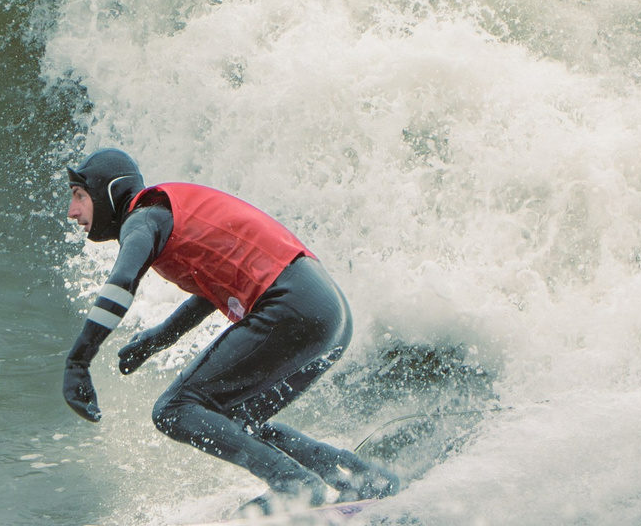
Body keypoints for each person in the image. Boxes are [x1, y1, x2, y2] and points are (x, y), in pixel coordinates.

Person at [58, 147, 402, 507]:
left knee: (174, 410)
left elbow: (122, 282)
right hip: (329, 314)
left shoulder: (142, 220)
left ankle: (293, 484)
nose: (73, 211)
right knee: (235, 420)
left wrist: (78, 362)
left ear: (108, 191)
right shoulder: (169, 218)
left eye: (79, 195)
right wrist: (160, 338)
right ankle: (360, 478)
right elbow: (211, 290)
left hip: (292, 303)